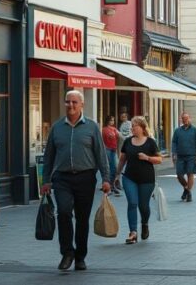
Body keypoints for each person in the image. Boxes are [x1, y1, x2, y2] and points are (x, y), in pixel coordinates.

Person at [40, 90, 111, 272]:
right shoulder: (57, 128)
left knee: (82, 219)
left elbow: (101, 155)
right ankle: (67, 252)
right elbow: (48, 157)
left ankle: (80, 256)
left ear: (81, 105)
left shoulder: (92, 127)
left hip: (85, 178)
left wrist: (106, 179)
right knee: (63, 212)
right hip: (62, 178)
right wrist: (45, 180)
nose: (70, 105)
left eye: (74, 102)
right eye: (67, 102)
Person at [117, 116, 162, 244]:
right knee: (132, 203)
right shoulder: (127, 141)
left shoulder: (150, 142)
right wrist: (116, 175)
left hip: (146, 179)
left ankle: (145, 224)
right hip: (129, 177)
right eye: (132, 126)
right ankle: (133, 232)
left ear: (142, 127)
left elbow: (159, 159)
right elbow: (122, 159)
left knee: (143, 206)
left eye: (134, 126)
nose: (132, 128)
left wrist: (147, 158)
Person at [171, 112, 196, 202]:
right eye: (183, 118)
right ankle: (186, 188)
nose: (185, 120)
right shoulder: (177, 131)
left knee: (190, 173)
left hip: (192, 156)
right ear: (181, 119)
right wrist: (174, 153)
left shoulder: (195, 130)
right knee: (179, 174)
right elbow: (174, 142)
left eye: (186, 118)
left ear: (189, 118)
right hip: (180, 156)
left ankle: (189, 193)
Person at [102, 116, 122, 195]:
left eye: (113, 120)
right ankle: (109, 187)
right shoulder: (104, 130)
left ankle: (112, 185)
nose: (112, 121)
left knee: (115, 168)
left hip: (114, 150)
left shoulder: (114, 129)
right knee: (109, 168)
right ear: (107, 121)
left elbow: (121, 137)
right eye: (111, 120)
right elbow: (101, 140)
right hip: (107, 150)